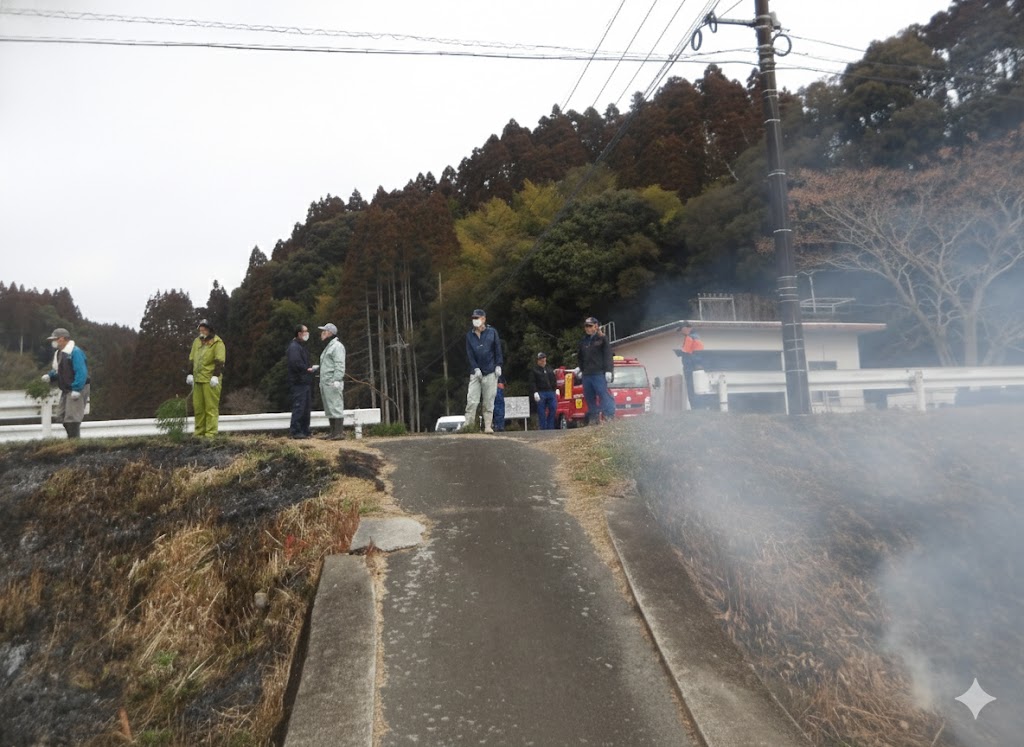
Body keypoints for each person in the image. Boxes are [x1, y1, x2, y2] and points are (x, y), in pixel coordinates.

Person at [41, 327, 90, 439]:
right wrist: (50, 376)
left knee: (72, 418)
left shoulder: (75, 352)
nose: (53, 342)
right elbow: (59, 370)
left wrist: (77, 389)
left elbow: (81, 372)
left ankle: (74, 441)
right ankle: (72, 439)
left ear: (61, 339)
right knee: (62, 416)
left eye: (54, 339)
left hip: (77, 388)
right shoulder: (59, 353)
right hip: (67, 389)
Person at [464, 308, 503, 433]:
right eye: (473, 318)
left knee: (489, 400)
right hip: (475, 373)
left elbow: (498, 349)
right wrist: (475, 368)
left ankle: (487, 426)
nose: (475, 320)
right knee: (472, 400)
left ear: (483, 319)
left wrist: (498, 365)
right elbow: (470, 354)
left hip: (491, 371)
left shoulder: (492, 332)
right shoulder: (469, 335)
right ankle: (468, 426)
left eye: (477, 318)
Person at [186, 319, 226, 438]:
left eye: (204, 329)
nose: (201, 331)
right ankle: (199, 432)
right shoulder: (197, 342)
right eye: (200, 329)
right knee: (198, 407)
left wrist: (215, 376)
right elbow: (192, 359)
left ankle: (211, 433)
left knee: (210, 407)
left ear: (209, 330)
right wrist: (190, 373)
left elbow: (220, 361)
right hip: (198, 379)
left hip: (210, 380)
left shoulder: (217, 343)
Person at [575, 316, 616, 425]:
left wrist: (608, 370)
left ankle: (609, 416)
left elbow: (608, 355)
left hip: (598, 373)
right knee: (589, 397)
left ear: (596, 326)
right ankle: (594, 418)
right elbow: (580, 356)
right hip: (587, 374)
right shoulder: (583, 341)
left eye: (590, 326)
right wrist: (580, 368)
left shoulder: (602, 339)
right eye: (586, 326)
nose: (587, 328)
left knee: (603, 394)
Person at [286, 324, 318, 439]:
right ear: (299, 334)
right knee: (299, 406)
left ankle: (304, 430)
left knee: (305, 407)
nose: (307, 334)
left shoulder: (300, 346)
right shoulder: (294, 347)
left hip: (304, 381)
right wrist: (306, 369)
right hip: (299, 382)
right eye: (305, 331)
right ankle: (296, 431)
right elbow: (295, 363)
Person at [318, 322, 347, 440]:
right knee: (329, 407)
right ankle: (333, 432)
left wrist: (337, 379)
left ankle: (339, 433)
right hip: (326, 382)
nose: (321, 334)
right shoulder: (329, 346)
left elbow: (339, 365)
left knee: (336, 406)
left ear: (329, 333)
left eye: (323, 331)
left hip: (332, 382)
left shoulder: (337, 346)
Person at [675, 321, 706, 409]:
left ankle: (695, 408)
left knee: (691, 388)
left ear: (685, 328)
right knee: (698, 387)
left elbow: (685, 351)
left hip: (690, 366)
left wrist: (679, 352)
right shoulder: (697, 337)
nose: (681, 332)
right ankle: (700, 407)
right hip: (697, 366)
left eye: (681, 330)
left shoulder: (689, 337)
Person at [530, 352, 558, 430]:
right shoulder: (534, 370)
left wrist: (555, 389)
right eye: (540, 359)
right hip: (541, 392)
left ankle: (550, 426)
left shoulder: (549, 369)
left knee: (553, 408)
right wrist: (535, 392)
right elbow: (533, 382)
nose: (542, 360)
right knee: (541, 411)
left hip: (550, 391)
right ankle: (543, 428)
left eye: (543, 358)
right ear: (538, 361)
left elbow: (554, 380)